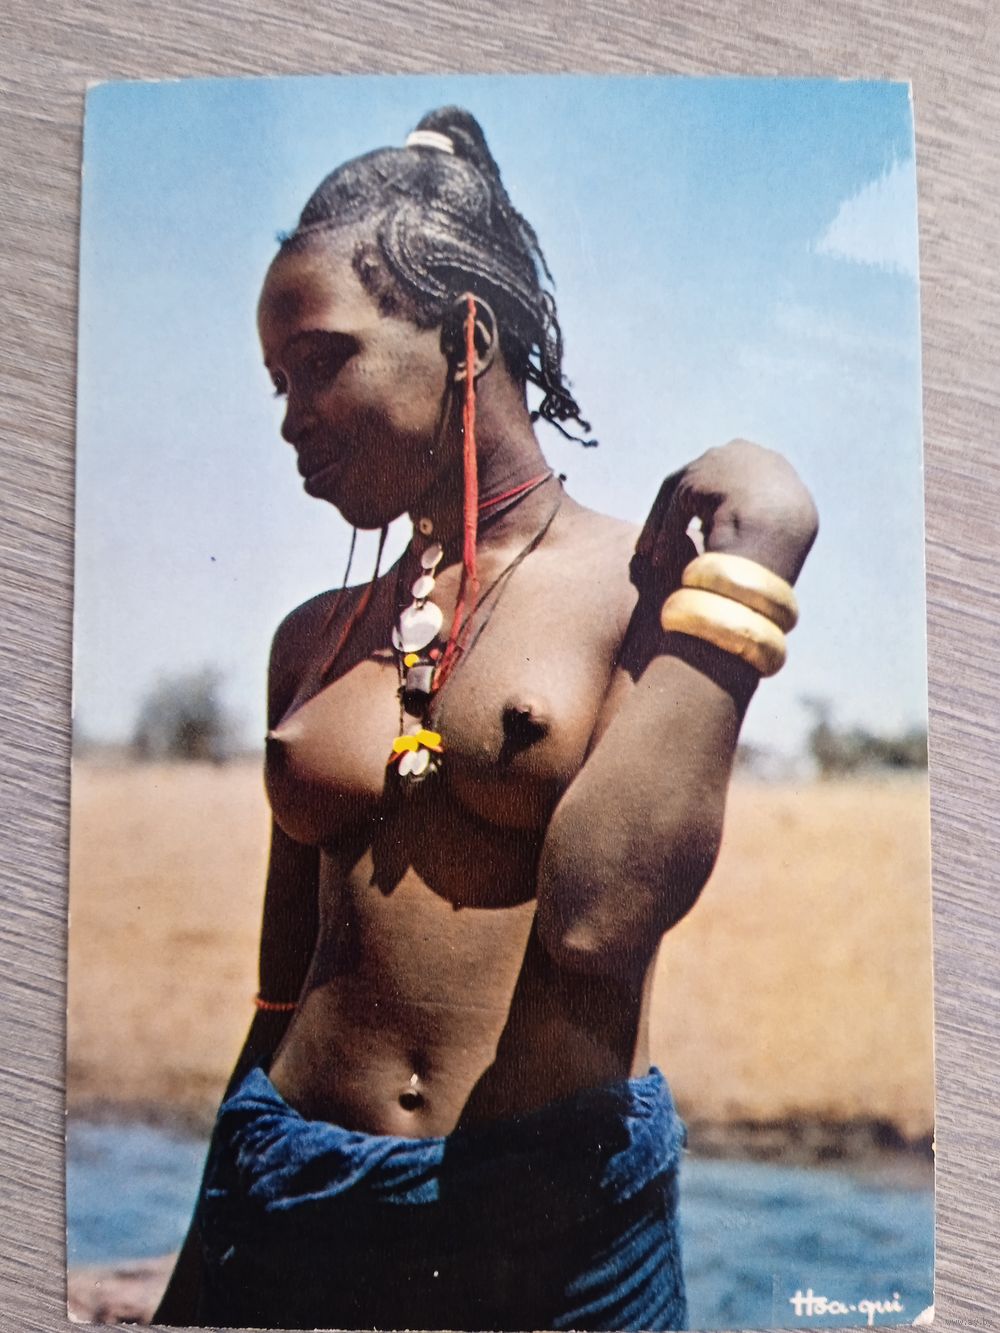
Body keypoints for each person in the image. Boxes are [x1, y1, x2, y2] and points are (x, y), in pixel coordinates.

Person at [154, 106, 817, 1331]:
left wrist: (757, 554)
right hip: (291, 1196)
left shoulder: (649, 590)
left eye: (322, 362)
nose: (291, 415)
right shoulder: (313, 638)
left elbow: (597, 922)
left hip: (549, 1233)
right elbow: (277, 994)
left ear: (465, 337)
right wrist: (199, 1280)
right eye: (277, 382)